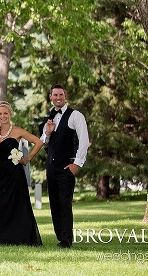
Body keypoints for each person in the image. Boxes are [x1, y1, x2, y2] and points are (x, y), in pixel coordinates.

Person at [0, 101, 43, 245]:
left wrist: (27, 158)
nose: (3, 116)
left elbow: (38, 142)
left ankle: (19, 237)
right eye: (0, 114)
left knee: (17, 205)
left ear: (10, 114)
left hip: (15, 174)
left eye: (5, 113)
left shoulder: (18, 131)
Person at [41, 84, 90, 248]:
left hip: (66, 168)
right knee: (54, 203)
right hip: (51, 168)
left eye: (60, 95)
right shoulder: (50, 116)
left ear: (65, 95)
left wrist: (77, 164)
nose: (58, 98)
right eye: (55, 95)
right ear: (50, 97)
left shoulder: (76, 115)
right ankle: (60, 237)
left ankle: (67, 239)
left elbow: (84, 141)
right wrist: (48, 132)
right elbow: (43, 141)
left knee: (64, 203)